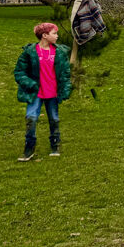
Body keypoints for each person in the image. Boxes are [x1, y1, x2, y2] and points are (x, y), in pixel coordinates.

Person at [14, 22, 73, 161]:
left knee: (54, 119)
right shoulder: (29, 53)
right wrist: (30, 84)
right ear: (44, 35)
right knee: (31, 118)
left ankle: (55, 145)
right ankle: (29, 149)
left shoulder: (60, 52)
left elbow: (65, 73)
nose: (57, 36)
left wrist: (65, 89)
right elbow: (19, 72)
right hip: (36, 93)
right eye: (54, 33)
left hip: (53, 93)